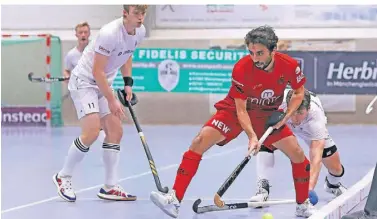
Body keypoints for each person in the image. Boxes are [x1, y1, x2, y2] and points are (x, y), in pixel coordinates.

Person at [150, 25, 316, 218]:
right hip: (235, 110)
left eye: (260, 53)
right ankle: (174, 200)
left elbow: (298, 92)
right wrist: (252, 136)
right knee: (199, 141)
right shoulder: (242, 68)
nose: (255, 58)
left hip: (267, 113)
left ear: (273, 50)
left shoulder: (288, 65)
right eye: (251, 53)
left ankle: (302, 205)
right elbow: (240, 109)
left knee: (297, 154)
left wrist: (285, 117)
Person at [52, 5, 148, 202]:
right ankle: (63, 176)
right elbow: (97, 72)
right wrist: (112, 100)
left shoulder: (140, 31)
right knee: (92, 132)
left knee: (115, 131)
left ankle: (110, 187)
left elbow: (127, 54)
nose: (140, 18)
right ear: (125, 14)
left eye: (143, 13)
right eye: (136, 13)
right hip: (85, 82)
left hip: (104, 82)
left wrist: (128, 83)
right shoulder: (109, 34)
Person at [250, 89, 347, 205]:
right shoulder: (277, 103)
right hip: (284, 122)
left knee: (336, 169)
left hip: (308, 129)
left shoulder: (316, 120)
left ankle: (332, 184)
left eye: (300, 113)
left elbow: (316, 158)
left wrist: (308, 189)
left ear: (308, 109)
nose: (295, 118)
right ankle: (263, 189)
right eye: (294, 112)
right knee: (266, 142)